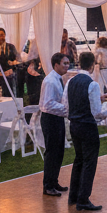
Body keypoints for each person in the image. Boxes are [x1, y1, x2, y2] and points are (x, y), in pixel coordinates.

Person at [66, 51, 107, 211]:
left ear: (79, 63)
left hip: (74, 125)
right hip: (88, 126)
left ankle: (73, 196)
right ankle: (83, 199)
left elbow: (67, 104)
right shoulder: (93, 84)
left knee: (78, 160)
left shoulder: (70, 82)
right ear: (92, 65)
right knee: (89, 162)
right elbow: (97, 112)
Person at [38, 53, 71, 196]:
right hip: (50, 118)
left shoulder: (58, 79)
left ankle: (54, 181)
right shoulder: (50, 81)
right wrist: (68, 109)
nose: (67, 66)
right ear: (56, 64)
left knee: (59, 151)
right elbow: (47, 104)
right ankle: (48, 185)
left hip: (57, 118)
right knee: (52, 152)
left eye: (68, 63)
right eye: (64, 63)